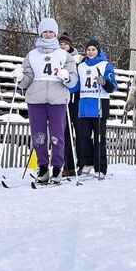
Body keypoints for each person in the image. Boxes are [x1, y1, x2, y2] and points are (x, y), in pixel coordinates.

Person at [13, 18, 79, 184]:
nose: (48, 34)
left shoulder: (64, 55)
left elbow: (73, 79)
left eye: (51, 32)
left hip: (57, 99)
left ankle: (57, 167)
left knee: (57, 135)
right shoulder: (32, 55)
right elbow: (27, 79)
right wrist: (20, 78)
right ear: (40, 33)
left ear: (55, 34)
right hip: (36, 99)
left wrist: (66, 77)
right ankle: (43, 167)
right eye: (45, 31)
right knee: (39, 135)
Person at [72, 40, 118, 178]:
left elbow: (113, 86)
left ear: (98, 50)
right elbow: (75, 86)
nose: (90, 51)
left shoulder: (105, 65)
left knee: (99, 139)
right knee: (83, 137)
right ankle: (87, 162)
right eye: (88, 49)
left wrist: (104, 82)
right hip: (84, 106)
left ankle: (100, 167)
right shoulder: (81, 66)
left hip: (99, 106)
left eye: (93, 49)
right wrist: (66, 81)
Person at [59, 32, 83, 177]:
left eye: (65, 44)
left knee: (80, 132)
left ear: (70, 46)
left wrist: (69, 84)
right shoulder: (55, 58)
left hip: (76, 98)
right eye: (60, 44)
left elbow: (79, 80)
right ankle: (67, 165)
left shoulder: (77, 59)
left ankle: (81, 163)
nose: (63, 46)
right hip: (62, 100)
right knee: (65, 134)